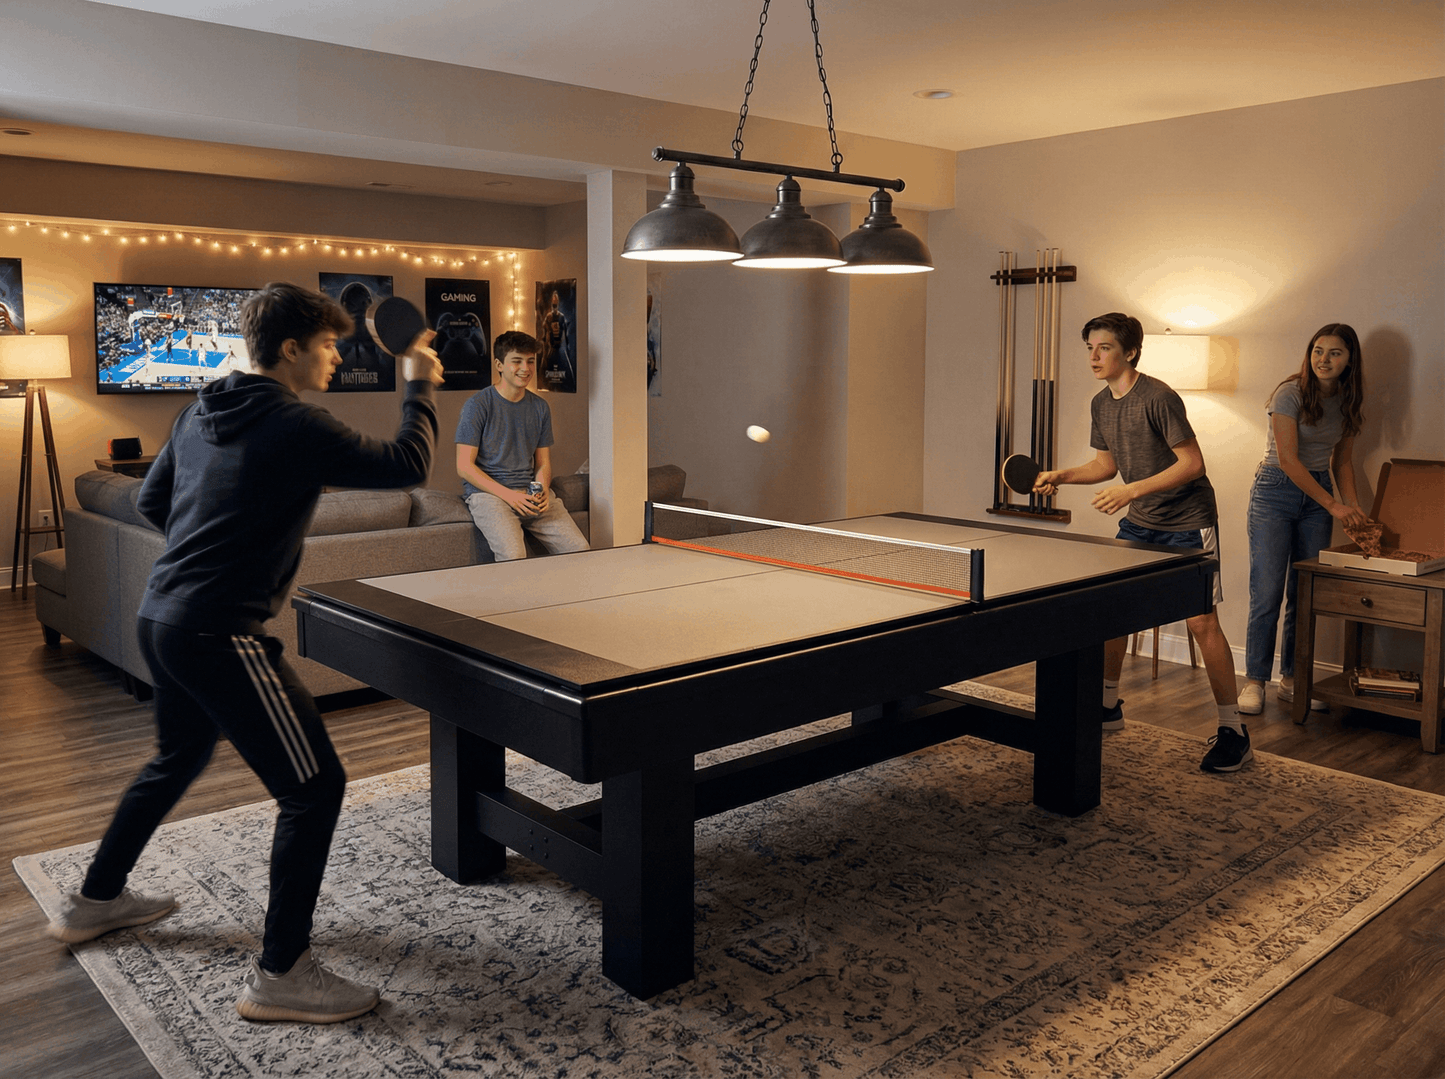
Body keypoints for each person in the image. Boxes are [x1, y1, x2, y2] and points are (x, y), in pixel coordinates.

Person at [45, 282, 444, 1023]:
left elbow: (153, 503)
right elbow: (406, 465)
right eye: (327, 345)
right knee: (314, 788)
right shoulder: (295, 422)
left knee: (176, 757)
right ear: (291, 348)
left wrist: (215, 537)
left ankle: (95, 898)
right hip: (218, 631)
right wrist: (418, 383)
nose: (335, 356)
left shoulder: (197, 409)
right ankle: (282, 972)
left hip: (159, 617)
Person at [1035, 313, 1248, 773]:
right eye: (1089, 347)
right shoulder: (1101, 403)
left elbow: (1192, 464)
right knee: (1114, 608)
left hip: (1188, 521)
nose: (1093, 356)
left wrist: (1131, 492)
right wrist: (1062, 475)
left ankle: (1234, 730)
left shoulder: (1158, 397)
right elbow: (1106, 467)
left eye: (1104, 347)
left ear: (1129, 352)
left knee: (1201, 624)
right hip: (1142, 521)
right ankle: (1108, 706)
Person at [1239, 324, 1366, 715]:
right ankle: (1255, 680)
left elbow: (1341, 461)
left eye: (1335, 353)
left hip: (1318, 496)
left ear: (1350, 360)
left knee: (1304, 591)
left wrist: (1353, 507)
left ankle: (1293, 678)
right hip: (1275, 490)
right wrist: (1334, 506)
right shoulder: (1289, 393)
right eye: (1317, 351)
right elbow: (1291, 462)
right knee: (1268, 590)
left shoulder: (1347, 401)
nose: (1324, 360)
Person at [456, 330, 589, 561]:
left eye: (530, 361)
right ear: (499, 365)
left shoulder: (540, 407)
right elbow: (464, 467)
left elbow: (543, 463)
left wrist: (542, 489)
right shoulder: (477, 405)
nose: (525, 368)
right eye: (516, 361)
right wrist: (510, 496)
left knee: (580, 550)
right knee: (514, 557)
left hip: (530, 494)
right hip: (490, 496)